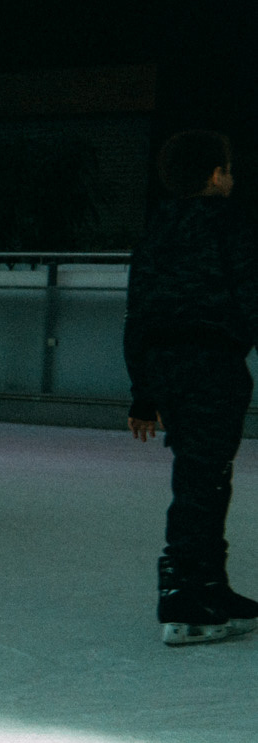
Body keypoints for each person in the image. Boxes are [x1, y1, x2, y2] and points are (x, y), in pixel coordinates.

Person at [124, 129, 258, 646]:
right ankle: (182, 593)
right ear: (214, 175)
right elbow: (251, 297)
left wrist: (143, 392)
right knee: (204, 480)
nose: (232, 177)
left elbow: (137, 314)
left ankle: (209, 584)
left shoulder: (156, 229)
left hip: (166, 369)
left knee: (203, 475)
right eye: (227, 169)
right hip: (213, 367)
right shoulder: (231, 224)